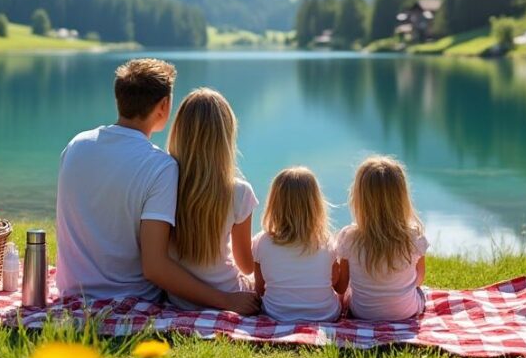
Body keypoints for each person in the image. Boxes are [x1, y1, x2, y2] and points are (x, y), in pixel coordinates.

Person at [55, 58, 259, 314]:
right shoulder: (159, 167)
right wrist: (226, 300)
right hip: (132, 297)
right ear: (164, 106)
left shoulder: (76, 146)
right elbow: (155, 267)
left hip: (72, 291)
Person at [165, 88, 257, 310]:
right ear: (226, 138)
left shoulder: (163, 185)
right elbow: (246, 265)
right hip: (228, 293)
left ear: (179, 132)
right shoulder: (239, 192)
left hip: (178, 298)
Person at [334, 156, 429, 321]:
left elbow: (342, 286)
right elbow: (419, 279)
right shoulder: (414, 236)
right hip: (406, 312)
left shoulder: (349, 237)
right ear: (401, 198)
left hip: (362, 313)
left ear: (359, 198)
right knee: (420, 293)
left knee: (348, 295)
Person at [252, 167, 342, 322]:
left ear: (274, 204)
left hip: (276, 314)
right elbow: (333, 281)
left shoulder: (262, 241)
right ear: (315, 205)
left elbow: (260, 288)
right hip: (325, 315)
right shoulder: (328, 242)